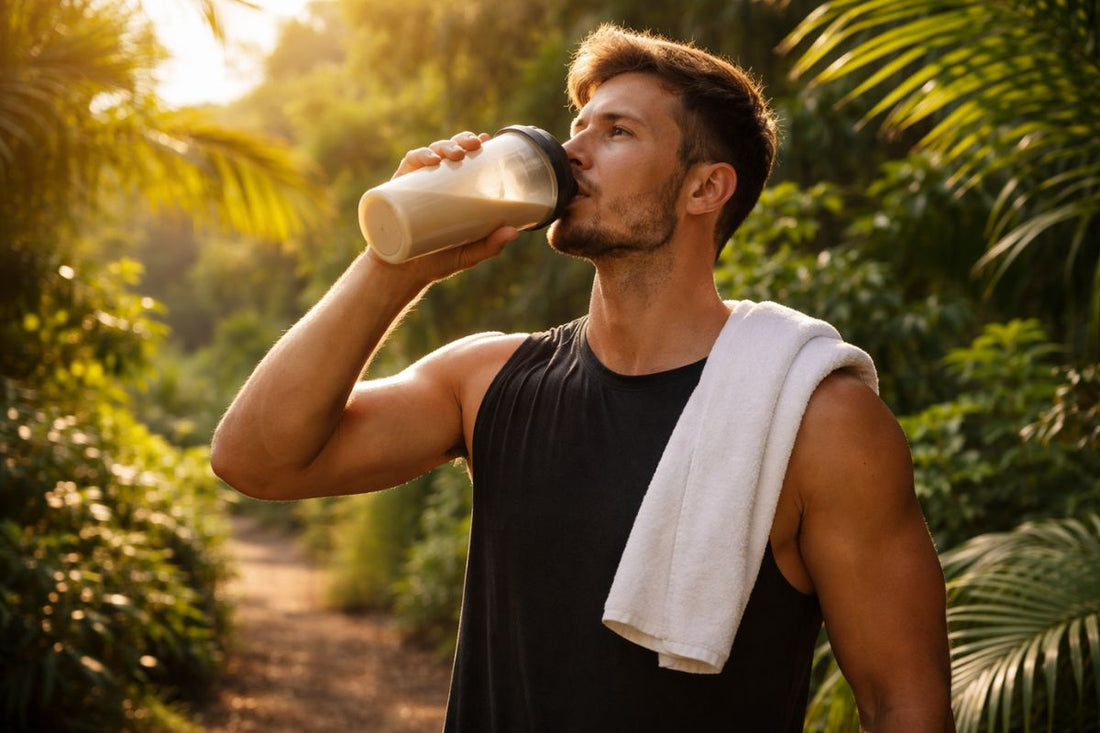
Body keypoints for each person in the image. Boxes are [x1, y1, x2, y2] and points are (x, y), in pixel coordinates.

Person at [212, 24, 954, 732]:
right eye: (578, 126)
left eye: (617, 132)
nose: (571, 154)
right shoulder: (485, 379)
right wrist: (393, 264)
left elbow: (904, 705)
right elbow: (255, 459)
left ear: (705, 189)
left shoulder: (819, 421)